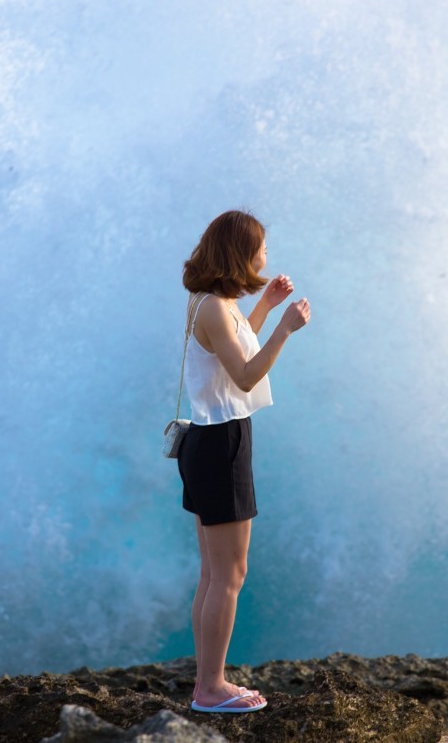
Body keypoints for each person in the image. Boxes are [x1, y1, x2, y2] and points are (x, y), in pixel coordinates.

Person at [177, 209, 311, 714]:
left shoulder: (213, 302)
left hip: (207, 441)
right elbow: (248, 376)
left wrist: (264, 308)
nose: (265, 256)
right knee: (229, 575)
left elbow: (230, 357)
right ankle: (210, 690)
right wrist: (286, 328)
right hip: (221, 445)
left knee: (214, 574)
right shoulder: (214, 308)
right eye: (261, 248)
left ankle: (208, 681)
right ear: (241, 252)